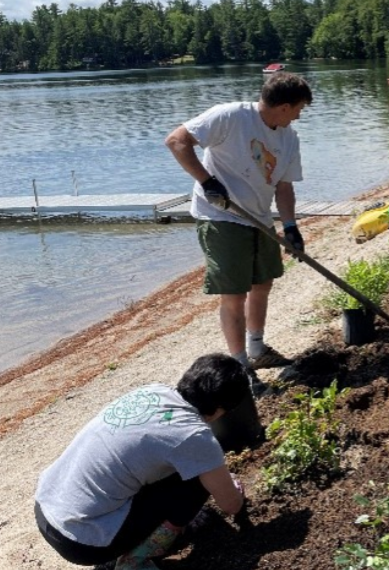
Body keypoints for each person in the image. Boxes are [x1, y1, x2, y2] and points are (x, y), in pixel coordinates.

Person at [34, 353, 250, 569]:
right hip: (81, 541)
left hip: (46, 507)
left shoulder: (152, 392)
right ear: (221, 409)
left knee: (169, 470)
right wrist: (232, 489)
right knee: (195, 484)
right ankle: (134, 561)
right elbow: (230, 505)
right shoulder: (195, 435)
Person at [165, 72, 313, 375]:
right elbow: (177, 141)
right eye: (299, 109)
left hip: (258, 217)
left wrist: (291, 226)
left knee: (263, 283)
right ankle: (241, 366)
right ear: (284, 106)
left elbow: (283, 187)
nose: (299, 116)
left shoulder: (289, 137)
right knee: (234, 293)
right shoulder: (231, 116)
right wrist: (207, 182)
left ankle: (257, 349)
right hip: (222, 215)